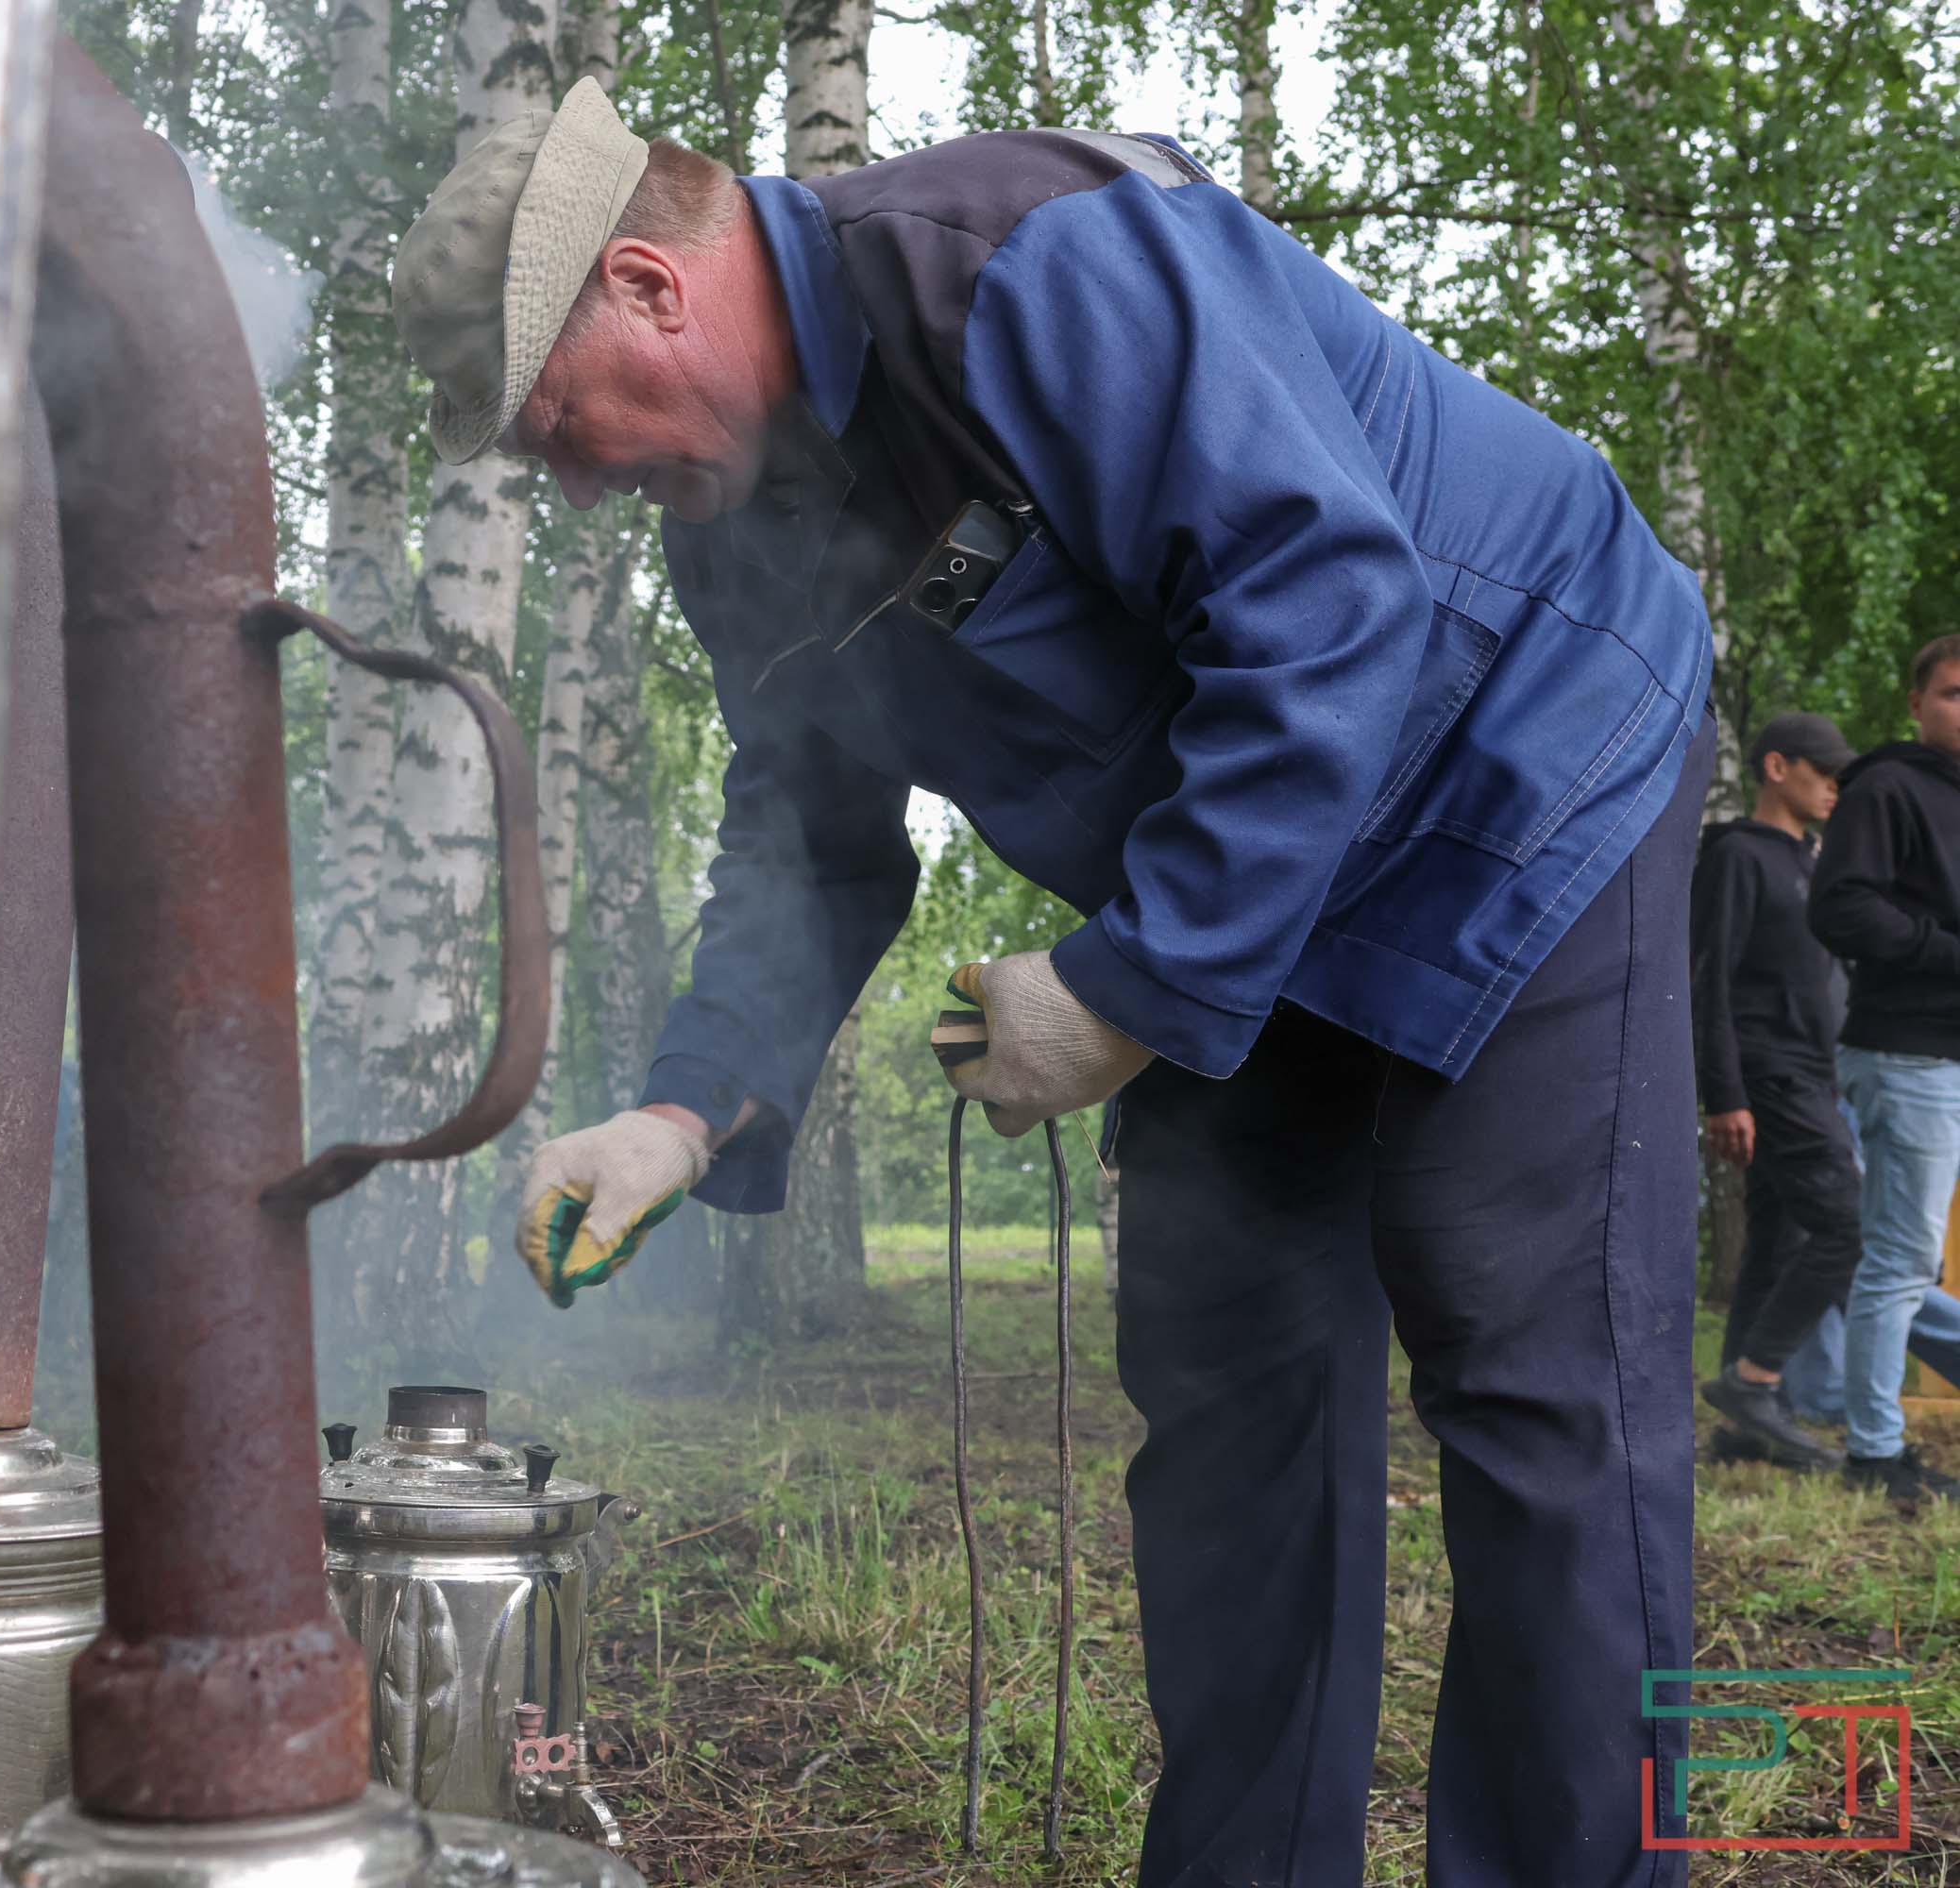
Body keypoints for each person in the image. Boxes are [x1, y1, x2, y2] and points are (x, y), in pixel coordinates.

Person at [397, 83, 1712, 1883]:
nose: (580, 486)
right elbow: (805, 842)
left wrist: (1127, 988)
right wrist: (683, 1111)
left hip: (1523, 767)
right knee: (1231, 1389)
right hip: (1243, 882)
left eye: (558, 429)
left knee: (1539, 1390)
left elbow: (1328, 603)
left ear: (645, 285)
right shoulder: (739, 538)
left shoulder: (1022, 263)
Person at [1808, 634, 1960, 1501]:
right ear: (1916, 702)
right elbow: (1841, 909)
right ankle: (1873, 1454)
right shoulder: (1888, 785)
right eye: (1954, 692)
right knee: (1901, 1261)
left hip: (1947, 1053)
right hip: (1909, 1053)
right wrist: (1946, 952)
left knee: (1905, 1258)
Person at [1691, 712, 1862, 1468]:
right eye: (1824, 772)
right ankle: (1756, 1383)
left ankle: (1743, 1428)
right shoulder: (1736, 857)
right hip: (1770, 1073)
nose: (1835, 786)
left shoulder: (1816, 862)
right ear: (1776, 767)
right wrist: (1722, 1094)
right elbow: (1708, 981)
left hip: (1817, 1075)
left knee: (1779, 1237)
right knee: (1846, 1227)